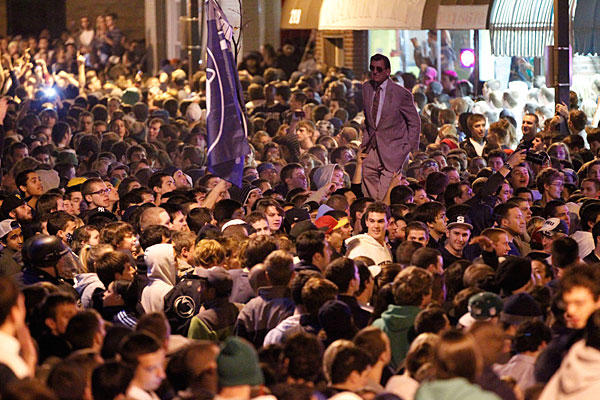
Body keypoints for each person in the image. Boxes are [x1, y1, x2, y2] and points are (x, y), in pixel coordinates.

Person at [361, 54, 420, 200]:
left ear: (388, 71)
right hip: (372, 149)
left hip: (394, 150)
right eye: (372, 68)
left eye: (379, 69)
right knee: (368, 191)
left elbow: (414, 122)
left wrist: (408, 148)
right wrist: (364, 143)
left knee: (385, 196)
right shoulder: (366, 88)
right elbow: (368, 118)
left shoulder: (401, 94)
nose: (375, 72)